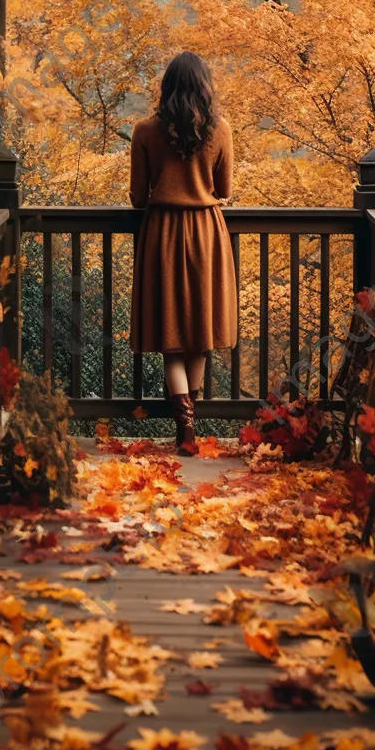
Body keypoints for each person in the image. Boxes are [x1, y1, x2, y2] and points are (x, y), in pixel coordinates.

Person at [129, 52, 238, 453]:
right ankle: (190, 420)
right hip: (208, 234)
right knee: (199, 332)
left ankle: (185, 425)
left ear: (167, 86)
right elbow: (224, 192)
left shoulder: (144, 130)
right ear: (205, 86)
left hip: (163, 235)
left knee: (170, 332)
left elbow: (139, 198)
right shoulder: (221, 129)